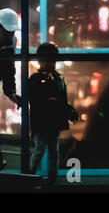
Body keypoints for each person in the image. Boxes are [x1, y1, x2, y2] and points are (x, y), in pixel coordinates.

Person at [29, 42, 79, 187]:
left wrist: (66, 108)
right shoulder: (55, 79)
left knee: (45, 149)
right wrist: (66, 109)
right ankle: (45, 176)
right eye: (48, 60)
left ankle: (34, 176)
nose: (50, 63)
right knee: (48, 149)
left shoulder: (40, 78)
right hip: (49, 120)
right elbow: (60, 99)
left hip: (44, 120)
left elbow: (59, 100)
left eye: (51, 60)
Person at [0, 8, 21, 171]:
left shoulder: (11, 40)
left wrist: (11, 92)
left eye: (12, 31)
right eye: (7, 31)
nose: (9, 34)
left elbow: (9, 67)